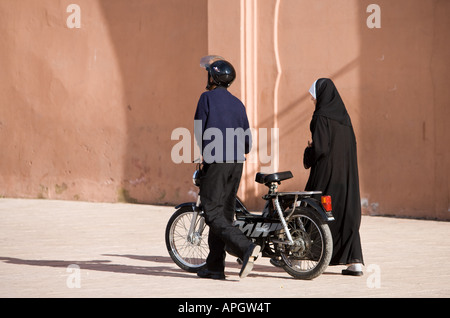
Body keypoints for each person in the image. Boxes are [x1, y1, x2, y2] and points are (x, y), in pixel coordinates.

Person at [194, 56, 260, 280]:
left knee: (212, 213)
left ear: (212, 77)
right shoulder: (237, 103)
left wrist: (203, 154)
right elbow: (248, 143)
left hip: (217, 162)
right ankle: (214, 267)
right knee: (223, 214)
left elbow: (199, 131)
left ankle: (245, 247)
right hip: (236, 164)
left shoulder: (207, 99)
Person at [303, 78, 364, 276]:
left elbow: (321, 149)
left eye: (314, 96)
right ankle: (354, 262)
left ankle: (306, 254)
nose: (312, 100)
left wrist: (309, 150)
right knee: (346, 213)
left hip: (326, 173)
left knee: (311, 207)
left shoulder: (321, 116)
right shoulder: (345, 119)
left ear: (321, 95)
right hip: (346, 176)